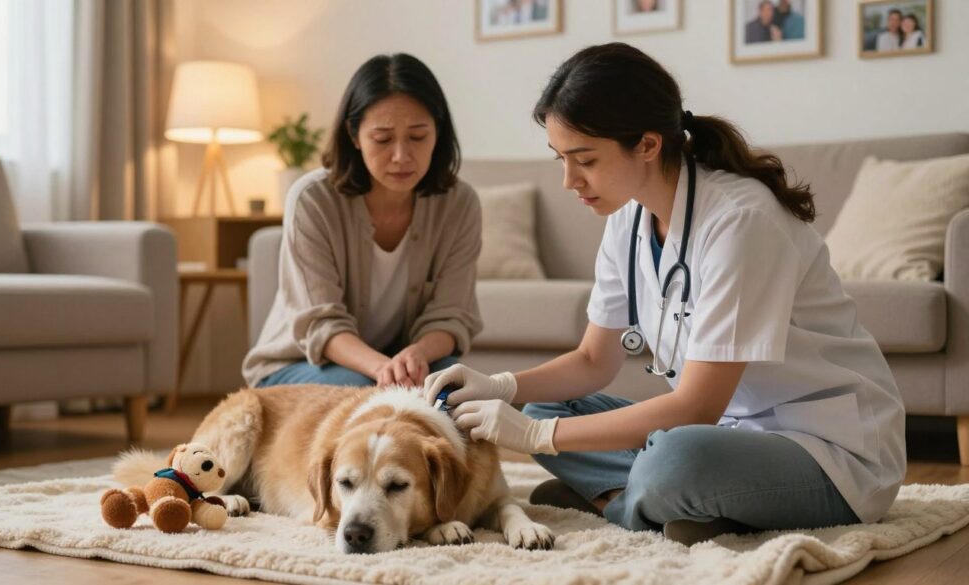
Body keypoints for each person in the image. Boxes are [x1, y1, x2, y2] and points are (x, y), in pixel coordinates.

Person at [422, 43, 906, 545]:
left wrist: (536, 442)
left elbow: (696, 408)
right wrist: (501, 387)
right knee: (548, 408)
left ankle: (622, 503)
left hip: (828, 453)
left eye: (584, 159)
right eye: (560, 159)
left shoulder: (741, 221)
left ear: (648, 145)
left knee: (673, 460)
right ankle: (673, 509)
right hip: (724, 439)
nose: (569, 180)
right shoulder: (628, 218)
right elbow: (592, 360)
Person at [243, 53, 483, 390]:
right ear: (354, 136)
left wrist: (416, 355)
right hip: (300, 363)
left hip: (398, 361)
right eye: (383, 139)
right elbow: (321, 324)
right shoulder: (312, 200)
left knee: (454, 391)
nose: (401, 155)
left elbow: (452, 313)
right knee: (362, 395)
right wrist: (384, 369)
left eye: (417, 136)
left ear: (438, 133)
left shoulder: (460, 204)